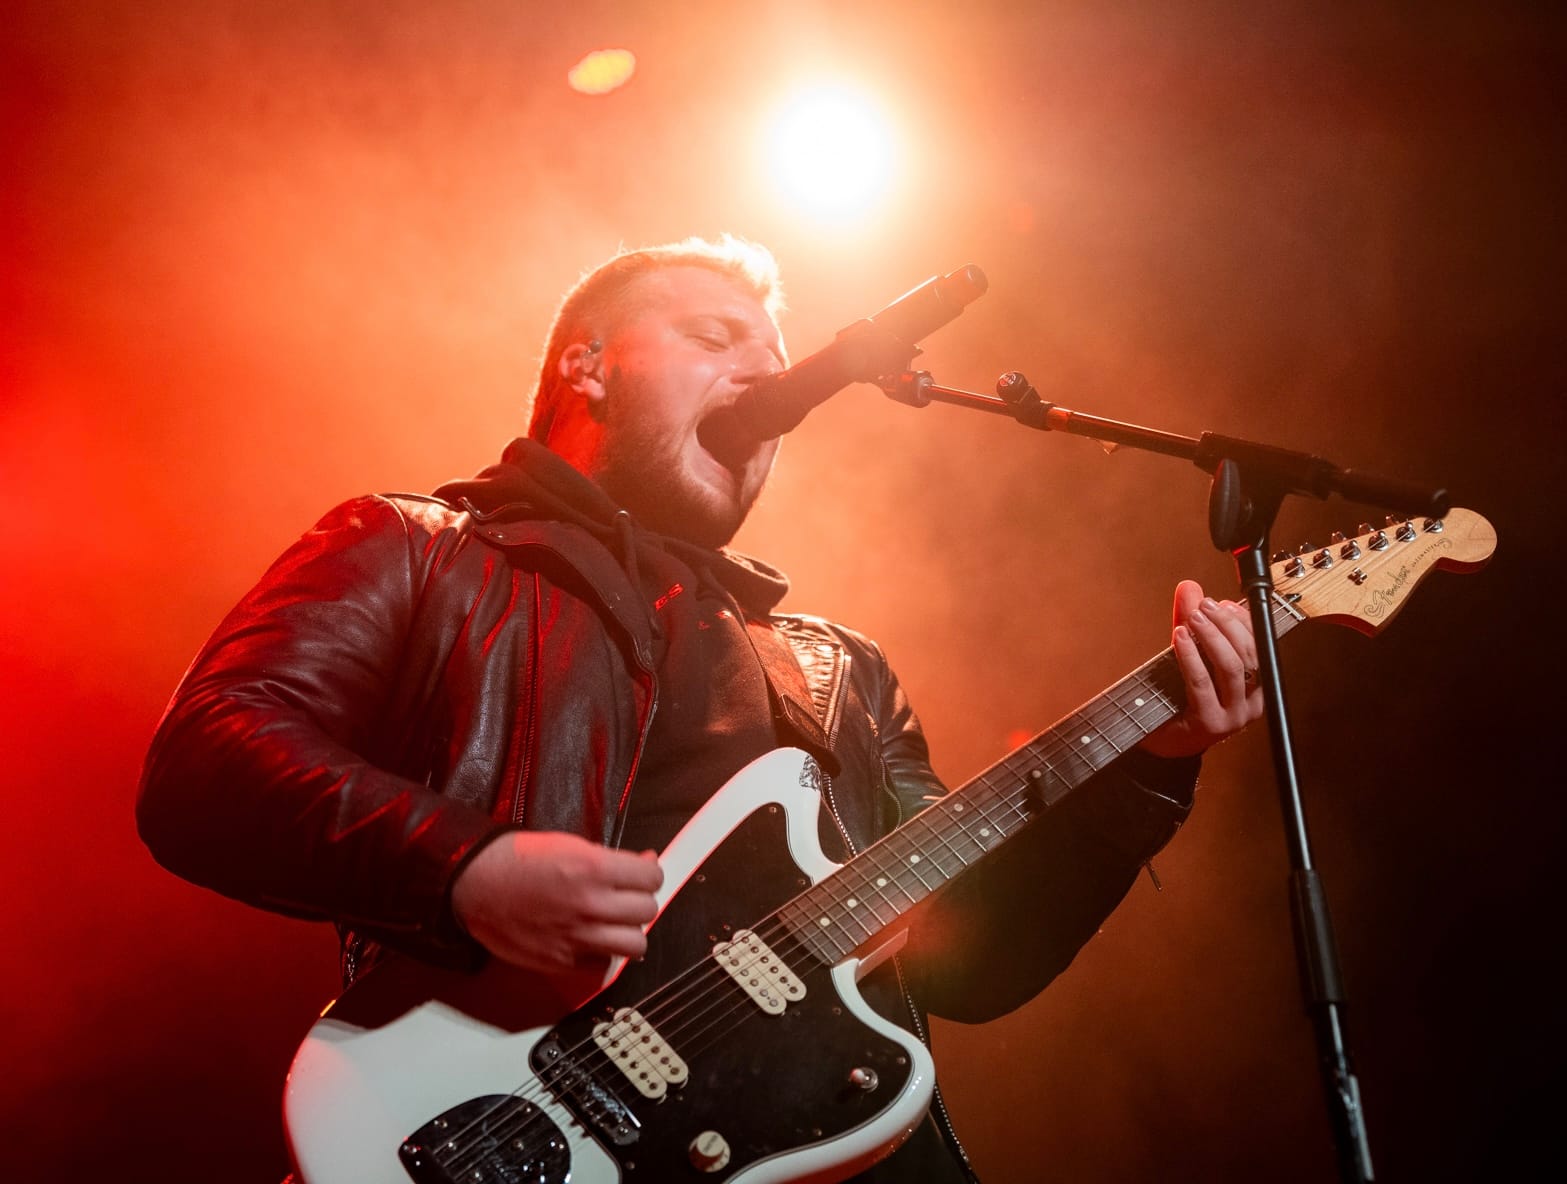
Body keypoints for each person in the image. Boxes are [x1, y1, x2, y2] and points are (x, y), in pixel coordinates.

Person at [135, 233, 1264, 1182]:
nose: (765, 386)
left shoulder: (836, 668)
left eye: (775, 367)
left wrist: (1151, 762)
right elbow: (210, 754)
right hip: (491, 1128)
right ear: (587, 368)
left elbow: (969, 958)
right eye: (716, 339)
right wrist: (464, 868)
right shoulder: (420, 549)